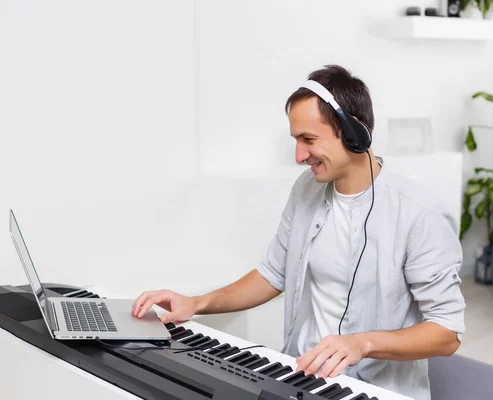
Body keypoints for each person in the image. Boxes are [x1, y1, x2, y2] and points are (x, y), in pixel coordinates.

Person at [131, 65, 465, 400]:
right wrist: (197, 302)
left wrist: (362, 343)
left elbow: (447, 332)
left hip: (374, 392)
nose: (299, 155)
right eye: (296, 140)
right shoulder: (307, 189)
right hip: (300, 380)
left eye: (308, 139)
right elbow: (273, 273)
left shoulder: (420, 215)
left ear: (353, 133)